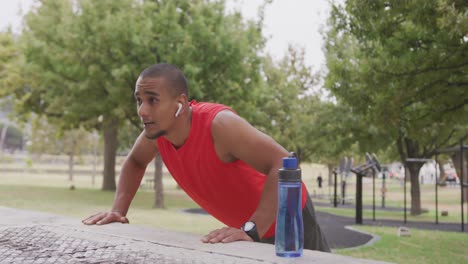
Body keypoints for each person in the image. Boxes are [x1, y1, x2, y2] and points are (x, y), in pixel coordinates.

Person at [82, 63, 330, 252]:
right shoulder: (157, 133)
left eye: (152, 100)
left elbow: (285, 163)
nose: (142, 110)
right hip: (247, 231)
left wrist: (252, 229)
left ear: (180, 103)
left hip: (287, 218)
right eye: (139, 100)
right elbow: (135, 162)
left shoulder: (220, 125)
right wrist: (118, 210)